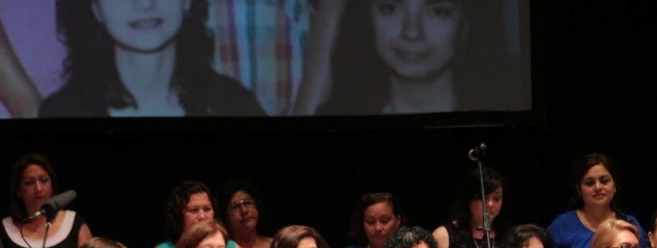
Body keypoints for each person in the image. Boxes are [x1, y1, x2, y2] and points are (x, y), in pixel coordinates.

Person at [42, 0, 266, 117]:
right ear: (95, 8)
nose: (145, 4)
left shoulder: (235, 105)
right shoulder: (61, 112)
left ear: (187, 1)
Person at [316, 0, 519, 114]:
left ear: (465, 24)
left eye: (438, 12)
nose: (412, 32)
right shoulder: (339, 114)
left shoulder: (505, 112)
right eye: (390, 8)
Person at [548, 155, 647, 248]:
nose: (598, 187)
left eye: (604, 181)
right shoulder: (560, 227)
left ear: (615, 185)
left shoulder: (629, 224)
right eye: (590, 183)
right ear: (578, 189)